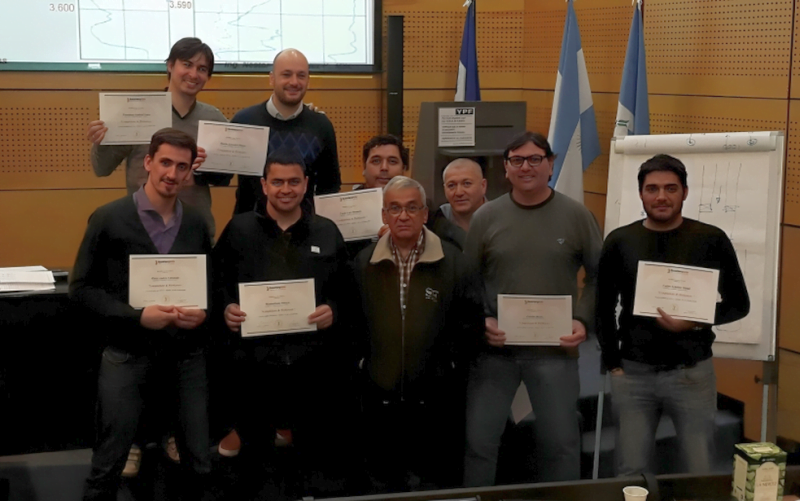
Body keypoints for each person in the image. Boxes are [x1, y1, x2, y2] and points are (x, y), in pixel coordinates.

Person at [70, 129, 213, 501]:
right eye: (165, 162)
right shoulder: (108, 218)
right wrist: (137, 318)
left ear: (189, 172)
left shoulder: (197, 224)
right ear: (147, 163)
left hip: (185, 356)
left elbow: (210, 287)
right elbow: (82, 290)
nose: (172, 173)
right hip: (127, 352)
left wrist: (204, 313)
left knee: (199, 459)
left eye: (182, 166)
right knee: (109, 461)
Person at [463, 131, 603, 486]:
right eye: (517, 160)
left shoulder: (576, 215)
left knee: (561, 445)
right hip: (495, 353)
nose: (526, 167)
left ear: (551, 164)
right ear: (506, 169)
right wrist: (482, 319)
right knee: (480, 444)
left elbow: (600, 278)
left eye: (535, 159)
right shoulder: (486, 217)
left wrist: (583, 320)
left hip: (554, 352)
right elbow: (467, 281)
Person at [596, 154, 750, 475]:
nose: (661, 197)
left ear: (685, 192)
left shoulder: (711, 239)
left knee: (699, 468)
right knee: (631, 470)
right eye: (652, 189)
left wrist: (693, 321)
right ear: (641, 194)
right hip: (634, 374)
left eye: (670, 188)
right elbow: (603, 306)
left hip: (691, 373)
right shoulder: (620, 241)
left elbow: (738, 303)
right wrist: (613, 363)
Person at [212, 150, 354, 497]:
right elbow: (215, 282)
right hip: (254, 367)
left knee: (310, 461)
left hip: (312, 368)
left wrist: (333, 310)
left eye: (294, 181)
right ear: (263, 185)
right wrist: (227, 307)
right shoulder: (239, 229)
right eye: (277, 182)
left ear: (306, 185)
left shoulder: (327, 230)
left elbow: (347, 291)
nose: (285, 189)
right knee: (255, 461)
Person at [352, 176, 484, 492]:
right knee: (384, 481)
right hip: (380, 394)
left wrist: (450, 366)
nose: (403, 215)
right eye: (394, 208)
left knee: (436, 480)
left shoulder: (454, 261)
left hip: (437, 397)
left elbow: (470, 323)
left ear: (425, 214)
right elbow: (354, 325)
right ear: (383, 215)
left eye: (412, 207)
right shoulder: (362, 263)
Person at [85, 37, 230, 236]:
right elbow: (101, 169)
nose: (193, 74)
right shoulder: (137, 112)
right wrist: (101, 142)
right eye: (186, 65)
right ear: (170, 66)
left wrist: (202, 170)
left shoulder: (214, 119)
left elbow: (224, 178)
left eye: (202, 69)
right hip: (141, 230)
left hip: (194, 233)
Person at [231, 48, 341, 214]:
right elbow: (220, 177)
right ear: (272, 79)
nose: (294, 82)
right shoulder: (244, 121)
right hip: (250, 231)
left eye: (301, 75)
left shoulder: (321, 125)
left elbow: (330, 186)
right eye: (286, 74)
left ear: (308, 80)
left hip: (303, 231)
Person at [347, 135, 465, 259]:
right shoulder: (348, 208)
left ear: (403, 169)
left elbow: (456, 243)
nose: (384, 168)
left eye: (392, 161)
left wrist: (413, 235)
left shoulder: (422, 207)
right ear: (364, 168)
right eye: (376, 161)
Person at [438, 158, 487, 233]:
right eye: (451, 185)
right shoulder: (436, 220)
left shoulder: (501, 218)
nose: (459, 192)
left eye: (467, 184)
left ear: (483, 186)